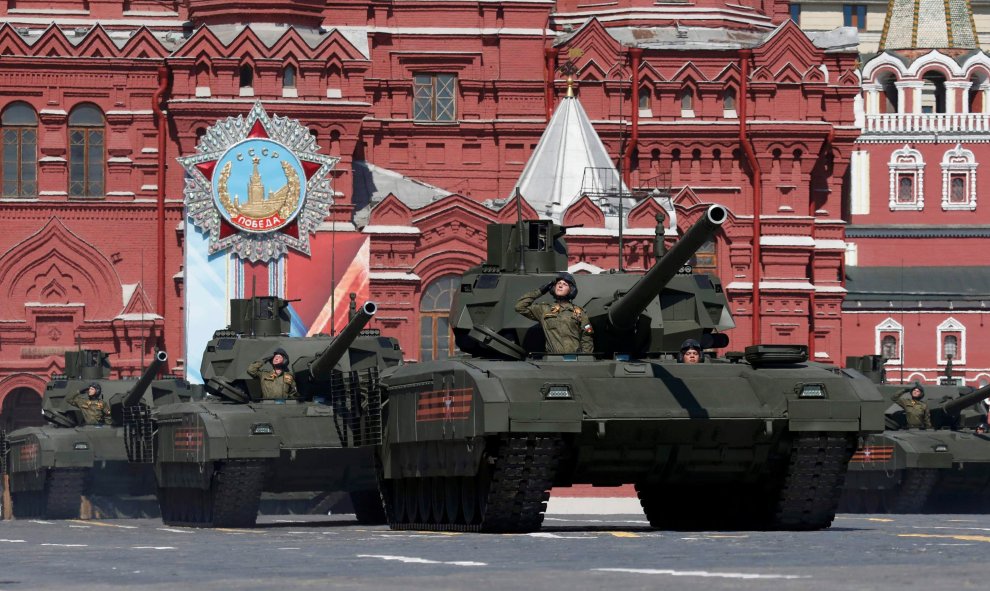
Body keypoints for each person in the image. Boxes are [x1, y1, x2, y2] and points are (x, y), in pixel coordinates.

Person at [515, 272, 594, 354]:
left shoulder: (579, 312)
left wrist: (585, 359)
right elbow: (520, 307)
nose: (560, 285)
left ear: (571, 290)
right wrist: (540, 291)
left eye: (565, 284)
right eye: (558, 283)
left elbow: (587, 337)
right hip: (553, 359)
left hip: (574, 359)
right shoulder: (544, 309)